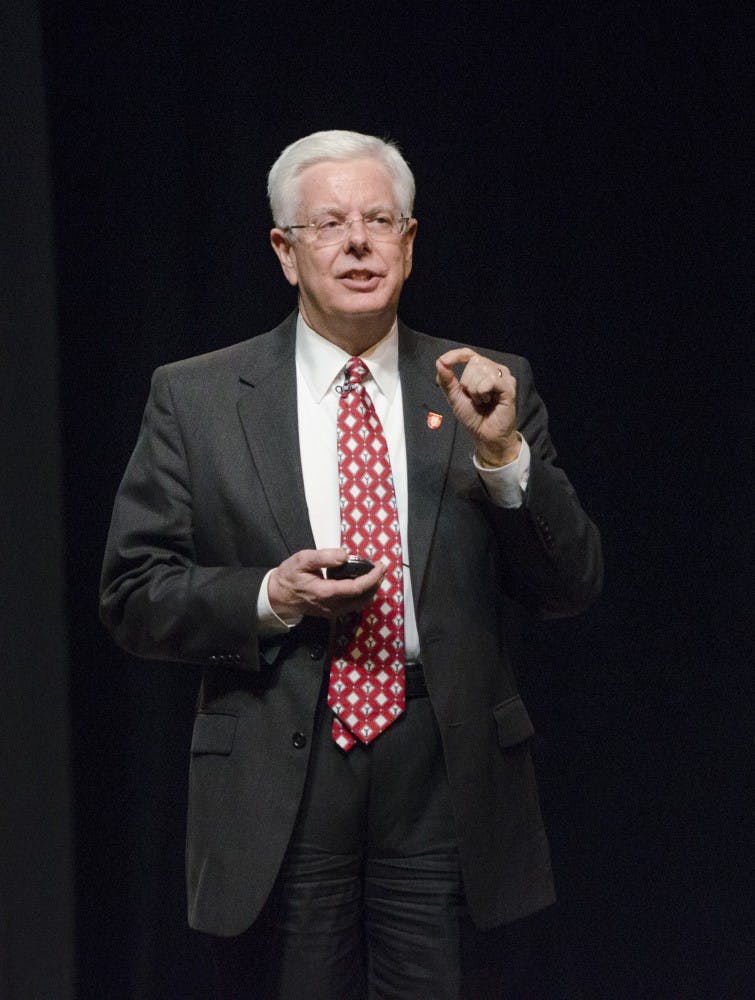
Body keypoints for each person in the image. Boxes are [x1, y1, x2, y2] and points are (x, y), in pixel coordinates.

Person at [100, 129, 602, 999]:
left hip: (440, 768)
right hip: (281, 764)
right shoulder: (197, 397)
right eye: (328, 224)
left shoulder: (485, 386)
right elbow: (134, 592)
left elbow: (569, 587)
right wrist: (268, 595)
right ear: (285, 253)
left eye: (379, 220)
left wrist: (503, 456)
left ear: (409, 245)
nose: (358, 242)